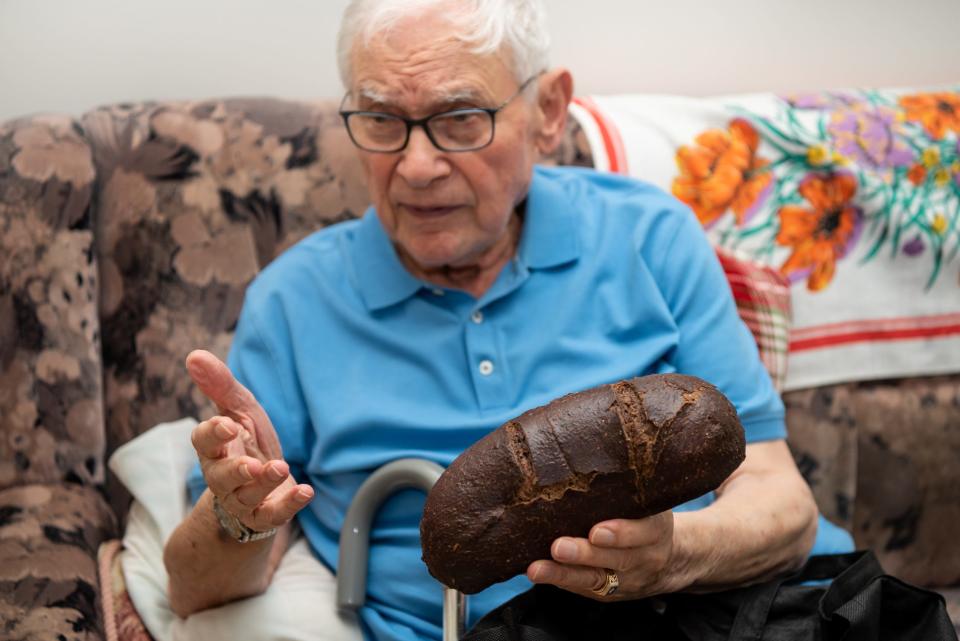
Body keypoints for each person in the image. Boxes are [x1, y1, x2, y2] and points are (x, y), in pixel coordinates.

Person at [162, 1, 853, 639]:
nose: (418, 165)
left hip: (729, 614)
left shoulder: (650, 235)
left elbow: (781, 504)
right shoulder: (294, 300)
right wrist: (238, 518)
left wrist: (675, 555)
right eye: (381, 120)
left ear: (548, 110)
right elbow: (196, 592)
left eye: (461, 117)